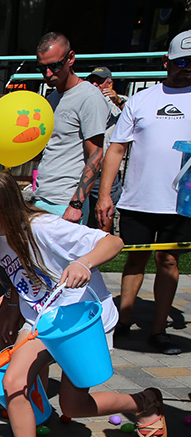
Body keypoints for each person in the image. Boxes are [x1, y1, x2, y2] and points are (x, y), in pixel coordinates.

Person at [0, 172, 168, 437]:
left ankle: (143, 401)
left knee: (74, 407)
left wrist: (84, 263)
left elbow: (113, 242)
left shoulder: (44, 228)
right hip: (41, 322)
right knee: (13, 382)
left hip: (79, 322)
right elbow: (23, 280)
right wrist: (10, 313)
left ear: (4, 209)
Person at [97, 31, 191, 355]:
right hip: (138, 198)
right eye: (181, 62)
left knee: (167, 260)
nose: (187, 68)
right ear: (167, 62)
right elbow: (116, 149)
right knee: (135, 258)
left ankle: (159, 328)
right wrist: (105, 195)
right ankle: (123, 320)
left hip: (180, 201)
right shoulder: (142, 100)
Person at [32, 32, 108, 221]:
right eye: (42, 68)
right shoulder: (51, 99)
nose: (48, 73)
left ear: (71, 58)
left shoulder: (89, 97)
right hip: (41, 197)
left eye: (55, 65)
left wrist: (76, 204)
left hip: (66, 203)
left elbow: (97, 154)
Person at [83, 66, 125, 230]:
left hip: (106, 172)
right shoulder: (85, 100)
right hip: (84, 168)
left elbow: (134, 120)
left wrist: (119, 101)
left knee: (103, 217)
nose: (95, 85)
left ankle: (103, 251)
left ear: (110, 83)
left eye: (100, 82)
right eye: (92, 81)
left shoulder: (121, 102)